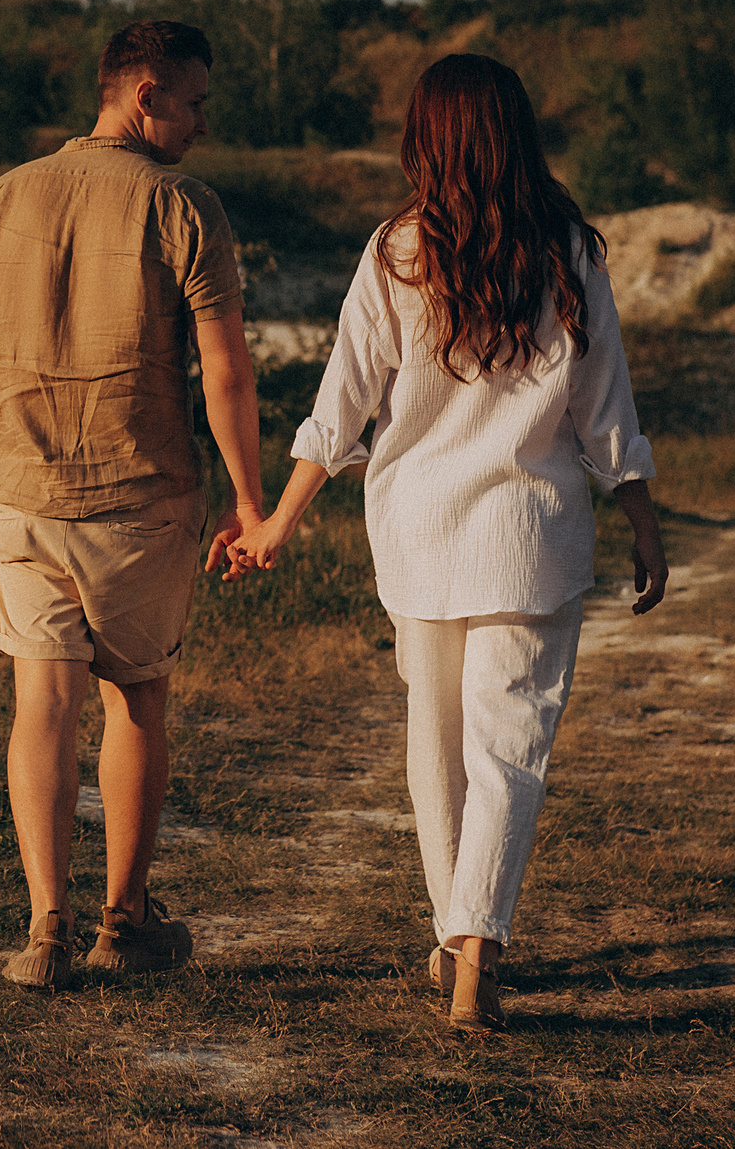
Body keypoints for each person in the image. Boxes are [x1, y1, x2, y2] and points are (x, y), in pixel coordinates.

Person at [225, 52, 668, 1031]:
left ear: (424, 137)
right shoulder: (568, 251)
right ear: (516, 131)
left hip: (419, 533)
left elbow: (337, 410)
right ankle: (475, 951)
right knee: (508, 747)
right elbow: (606, 413)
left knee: (436, 742)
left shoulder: (395, 252)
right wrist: (640, 514)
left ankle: (453, 939)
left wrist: (272, 526)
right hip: (532, 536)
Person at [0, 18, 268, 990]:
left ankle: (45, 924)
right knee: (138, 697)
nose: (203, 121)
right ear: (145, 96)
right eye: (195, 101)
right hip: (142, 498)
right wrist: (249, 499)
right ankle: (122, 922)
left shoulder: (4, 198)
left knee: (39, 701)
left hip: (25, 494)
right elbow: (225, 370)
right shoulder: (182, 204)